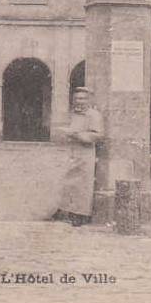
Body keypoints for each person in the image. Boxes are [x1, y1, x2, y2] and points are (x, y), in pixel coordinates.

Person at [51, 87, 104, 226]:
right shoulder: (73, 114)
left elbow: (98, 135)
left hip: (86, 152)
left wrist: (76, 134)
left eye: (82, 98)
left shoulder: (94, 115)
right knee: (69, 182)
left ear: (89, 100)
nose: (79, 101)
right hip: (73, 151)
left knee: (83, 184)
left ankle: (82, 215)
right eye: (76, 99)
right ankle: (65, 210)